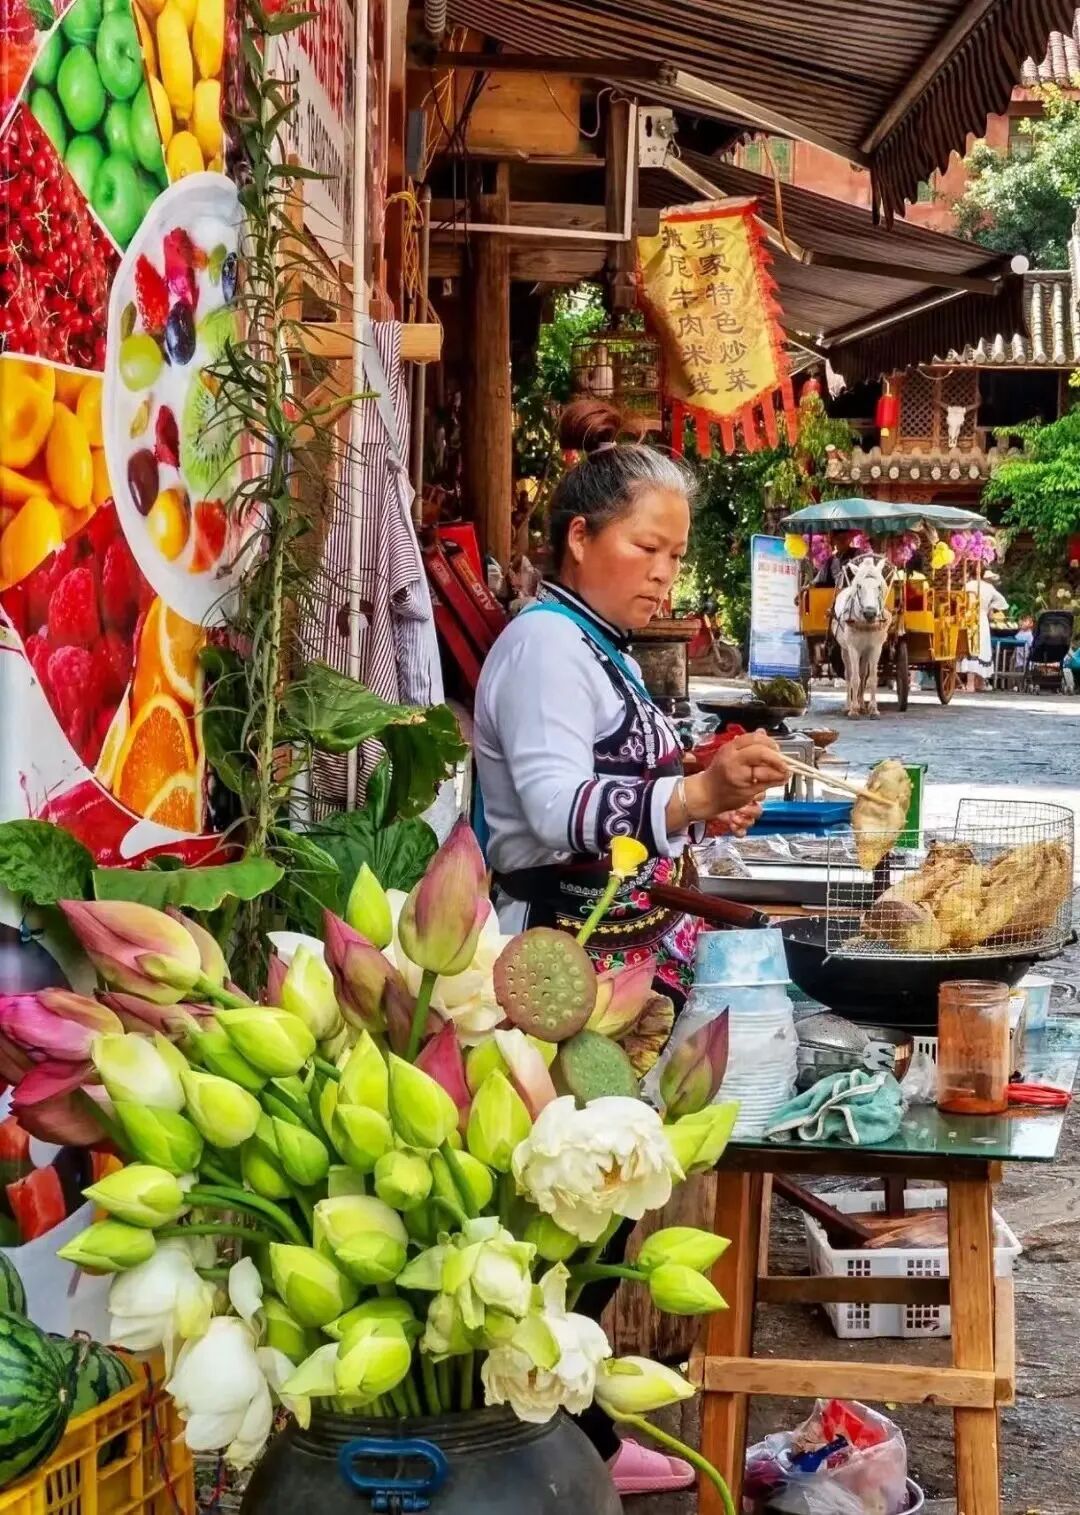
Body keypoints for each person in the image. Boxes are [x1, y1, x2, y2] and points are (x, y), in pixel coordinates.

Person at [473, 399, 789, 1496]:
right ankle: (548, 1433)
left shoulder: (593, 644)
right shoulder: (546, 649)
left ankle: (569, 1427)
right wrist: (689, 792)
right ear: (579, 537)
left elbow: (642, 792)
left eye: (673, 553)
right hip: (563, 965)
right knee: (567, 1209)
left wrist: (704, 799)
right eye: (645, 548)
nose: (663, 574)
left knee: (594, 1204)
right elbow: (562, 810)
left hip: (618, 969)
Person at [959, 569, 1008, 692]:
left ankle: (970, 684)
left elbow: (960, 601)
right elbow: (1002, 601)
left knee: (971, 648)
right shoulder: (989, 587)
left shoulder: (969, 585)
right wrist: (990, 608)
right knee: (982, 649)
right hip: (982, 618)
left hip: (970, 617)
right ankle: (980, 682)